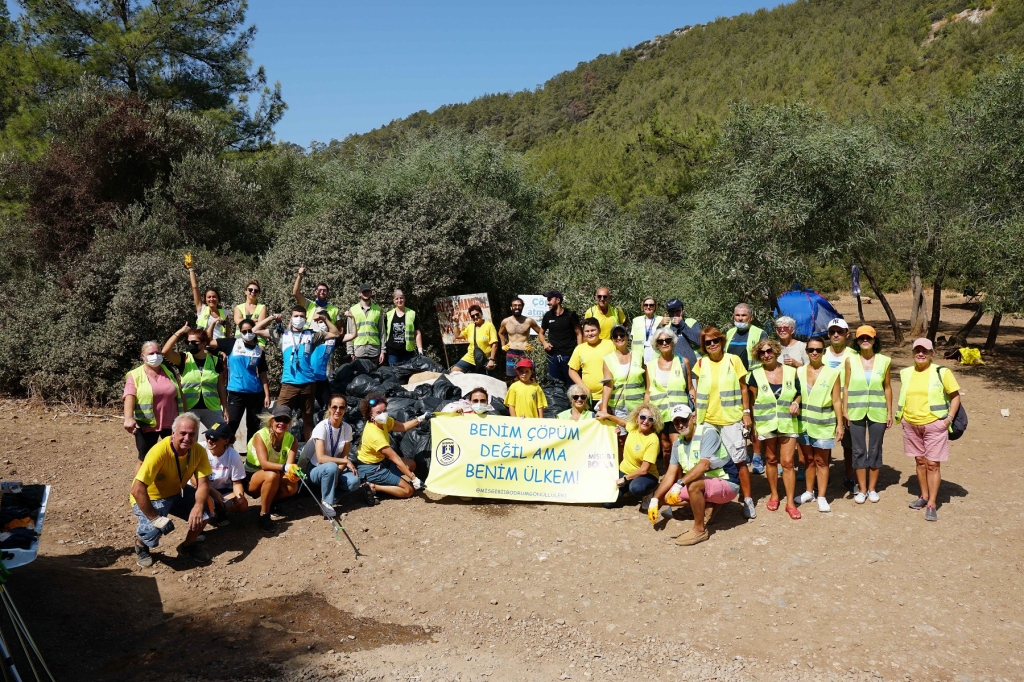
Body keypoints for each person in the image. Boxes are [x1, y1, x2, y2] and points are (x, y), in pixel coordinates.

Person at [648, 405, 740, 546]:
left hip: (727, 482)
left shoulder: (708, 433)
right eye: (676, 421)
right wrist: (655, 500)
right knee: (664, 496)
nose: (680, 424)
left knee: (693, 485)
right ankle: (706, 505)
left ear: (693, 418)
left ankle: (699, 530)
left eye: (684, 420)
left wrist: (679, 484)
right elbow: (670, 473)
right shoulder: (678, 443)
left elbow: (704, 465)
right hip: (705, 482)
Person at [692, 327, 757, 519]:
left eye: (715, 341)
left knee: (739, 461)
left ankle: (747, 500)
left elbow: (744, 389)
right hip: (708, 421)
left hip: (731, 419)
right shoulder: (700, 363)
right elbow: (698, 393)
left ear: (721, 341)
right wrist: (697, 417)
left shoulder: (733, 360)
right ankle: (712, 500)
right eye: (708, 342)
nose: (712, 345)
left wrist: (746, 413)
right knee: (708, 462)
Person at [131, 412, 211, 567]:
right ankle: (141, 545)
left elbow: (203, 483)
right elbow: (137, 490)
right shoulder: (159, 452)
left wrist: (198, 506)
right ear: (173, 433)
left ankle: (187, 546)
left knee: (207, 508)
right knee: (153, 529)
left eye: (192, 434)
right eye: (183, 433)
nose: (187, 438)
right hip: (151, 496)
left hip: (175, 492)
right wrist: (156, 518)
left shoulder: (198, 451)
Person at [896, 338, 961, 522]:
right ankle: (923, 496)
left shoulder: (942, 372)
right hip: (911, 423)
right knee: (920, 461)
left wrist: (948, 419)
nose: (921, 354)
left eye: (925, 351)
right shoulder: (906, 373)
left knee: (933, 464)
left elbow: (955, 397)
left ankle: (932, 502)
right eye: (917, 350)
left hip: (934, 424)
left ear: (932, 353)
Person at [256, 308, 341, 441]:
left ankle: (308, 452)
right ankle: (274, 447)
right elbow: (256, 330)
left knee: (308, 419)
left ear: (306, 319)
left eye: (302, 316)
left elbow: (335, 333)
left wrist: (324, 319)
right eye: (296, 316)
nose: (299, 318)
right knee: (278, 417)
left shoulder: (311, 335)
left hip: (308, 384)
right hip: (289, 383)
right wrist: (272, 317)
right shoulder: (282, 335)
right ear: (290, 318)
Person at [748, 338, 802, 518]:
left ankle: (790, 502)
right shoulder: (755, 375)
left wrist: (796, 402)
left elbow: (800, 392)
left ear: (776, 351)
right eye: (762, 352)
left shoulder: (791, 371)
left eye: (769, 351)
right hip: (766, 423)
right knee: (771, 459)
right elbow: (753, 401)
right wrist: (753, 424)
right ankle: (774, 494)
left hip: (788, 422)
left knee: (787, 462)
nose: (766, 355)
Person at [843, 326, 893, 505]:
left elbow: (887, 387)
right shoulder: (850, 360)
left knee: (875, 449)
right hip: (855, 411)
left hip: (878, 411)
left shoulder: (885, 361)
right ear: (856, 341)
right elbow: (846, 386)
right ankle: (862, 490)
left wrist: (889, 411)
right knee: (858, 450)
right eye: (861, 338)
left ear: (874, 339)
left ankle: (872, 489)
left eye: (869, 337)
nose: (865, 340)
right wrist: (844, 410)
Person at [795, 337, 845, 513]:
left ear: (824, 351)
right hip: (803, 424)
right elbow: (796, 394)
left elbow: (837, 400)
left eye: (818, 350)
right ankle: (809, 491)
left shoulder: (832, 373)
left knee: (822, 461)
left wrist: (840, 425)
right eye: (811, 350)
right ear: (806, 352)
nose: (814, 353)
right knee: (808, 460)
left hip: (824, 424)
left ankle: (822, 496)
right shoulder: (799, 371)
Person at [299, 395, 370, 507]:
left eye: (341, 408)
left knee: (354, 482)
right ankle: (327, 505)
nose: (338, 410)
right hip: (316, 469)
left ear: (345, 409)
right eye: (334, 407)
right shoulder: (322, 427)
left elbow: (345, 455)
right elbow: (321, 458)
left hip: (335, 469)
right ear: (329, 408)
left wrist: (337, 473)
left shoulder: (347, 428)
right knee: (331, 466)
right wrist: (343, 463)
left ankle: (333, 496)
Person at [355, 394, 427, 499]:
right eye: (378, 412)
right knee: (408, 491)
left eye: (384, 411)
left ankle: (390, 481)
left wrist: (421, 418)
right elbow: (396, 459)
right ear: (370, 414)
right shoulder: (374, 435)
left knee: (411, 464)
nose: (383, 414)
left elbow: (404, 427)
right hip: (372, 469)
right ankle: (374, 486)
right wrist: (413, 478)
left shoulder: (383, 421)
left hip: (382, 462)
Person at [123, 340, 184, 462]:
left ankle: (174, 481)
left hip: (172, 423)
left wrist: (185, 416)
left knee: (176, 456)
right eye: (151, 353)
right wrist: (128, 418)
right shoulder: (135, 375)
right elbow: (129, 395)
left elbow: (180, 394)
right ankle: (142, 481)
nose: (155, 356)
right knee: (145, 460)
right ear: (143, 356)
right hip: (146, 425)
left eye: (158, 352)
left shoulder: (169, 371)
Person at [726, 303, 767, 475]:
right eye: (737, 316)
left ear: (750, 317)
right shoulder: (729, 333)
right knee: (739, 417)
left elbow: (766, 356)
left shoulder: (759, 333)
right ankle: (743, 453)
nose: (740, 319)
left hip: (753, 380)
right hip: (734, 382)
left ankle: (757, 455)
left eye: (743, 316)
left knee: (753, 417)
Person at [161, 325, 229, 430]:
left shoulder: (215, 360)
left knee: (222, 435)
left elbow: (221, 386)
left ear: (204, 343)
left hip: (212, 407)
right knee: (189, 440)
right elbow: (165, 352)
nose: (190, 345)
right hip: (189, 407)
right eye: (188, 342)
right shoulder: (184, 358)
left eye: (194, 342)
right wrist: (180, 332)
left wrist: (225, 408)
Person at [245, 405, 301, 532]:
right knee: (272, 475)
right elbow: (264, 464)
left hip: (274, 474)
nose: (281, 423)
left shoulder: (292, 440)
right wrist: (285, 467)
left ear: (289, 423)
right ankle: (264, 514)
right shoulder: (260, 436)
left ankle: (270, 503)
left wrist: (294, 472)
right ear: (271, 421)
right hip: (252, 477)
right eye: (278, 419)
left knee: (292, 486)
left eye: (285, 420)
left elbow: (289, 467)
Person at [595, 403, 661, 506]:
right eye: (643, 417)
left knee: (636, 488)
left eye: (650, 419)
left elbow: (644, 470)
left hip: (646, 475)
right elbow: (623, 423)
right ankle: (627, 488)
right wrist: (607, 416)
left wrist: (625, 479)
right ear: (637, 418)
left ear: (654, 422)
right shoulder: (633, 428)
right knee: (607, 503)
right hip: (625, 470)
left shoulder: (653, 440)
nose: (646, 421)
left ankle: (649, 492)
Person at [645, 328, 694, 464]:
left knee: (677, 445)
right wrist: (644, 410)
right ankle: (670, 476)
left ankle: (682, 478)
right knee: (665, 447)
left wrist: (695, 410)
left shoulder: (684, 362)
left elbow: (690, 388)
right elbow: (648, 391)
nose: (665, 343)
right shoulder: (649, 366)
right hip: (659, 413)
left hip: (679, 413)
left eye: (668, 340)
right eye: (661, 341)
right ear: (656, 345)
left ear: (673, 342)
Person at [219, 317, 271, 448]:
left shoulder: (259, 351)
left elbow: (263, 373)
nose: (247, 333)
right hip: (236, 393)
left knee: (253, 426)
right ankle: (225, 453)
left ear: (254, 331)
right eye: (244, 331)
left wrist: (267, 394)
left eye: (249, 330)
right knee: (232, 424)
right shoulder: (232, 343)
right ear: (240, 332)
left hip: (255, 393)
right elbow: (208, 342)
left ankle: (251, 458)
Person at [824, 317, 859, 493]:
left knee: (848, 444)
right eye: (832, 332)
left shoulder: (854, 355)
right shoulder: (820, 354)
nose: (836, 335)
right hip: (824, 404)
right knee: (825, 443)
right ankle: (824, 477)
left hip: (847, 406)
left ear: (847, 334)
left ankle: (849, 477)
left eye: (839, 331)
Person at [197, 421, 248, 525]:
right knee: (201, 498)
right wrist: (211, 491)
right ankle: (199, 522)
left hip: (222, 490)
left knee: (242, 505)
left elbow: (237, 482)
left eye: (214, 438)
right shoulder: (199, 449)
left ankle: (219, 511)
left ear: (225, 441)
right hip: (199, 487)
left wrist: (239, 497)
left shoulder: (233, 456)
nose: (209, 441)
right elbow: (193, 478)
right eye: (207, 436)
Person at [601, 324, 645, 435]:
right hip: (618, 407)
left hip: (637, 405)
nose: (619, 338)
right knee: (620, 439)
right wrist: (604, 409)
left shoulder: (639, 356)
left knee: (638, 436)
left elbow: (646, 382)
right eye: (615, 336)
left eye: (622, 335)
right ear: (612, 340)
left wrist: (646, 404)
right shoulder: (608, 359)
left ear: (627, 336)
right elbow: (607, 386)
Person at [568, 318, 615, 405]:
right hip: (589, 397)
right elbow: (572, 371)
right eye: (587, 331)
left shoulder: (610, 345)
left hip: (610, 395)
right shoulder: (580, 349)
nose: (590, 333)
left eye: (593, 330)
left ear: (599, 331)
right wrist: (584, 387)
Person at [498, 297, 546, 382]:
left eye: (519, 305)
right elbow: (500, 333)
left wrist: (534, 345)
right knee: (514, 378)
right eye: (515, 305)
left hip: (525, 352)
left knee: (531, 377)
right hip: (511, 352)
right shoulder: (506, 321)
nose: (517, 307)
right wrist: (503, 345)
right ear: (511, 307)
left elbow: (541, 332)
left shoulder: (529, 321)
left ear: (522, 307)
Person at [541, 291, 582, 388]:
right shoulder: (548, 316)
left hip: (569, 356)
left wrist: (579, 351)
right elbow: (541, 333)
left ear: (558, 300)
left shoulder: (570, 315)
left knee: (572, 387)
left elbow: (579, 333)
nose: (548, 302)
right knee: (556, 387)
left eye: (550, 299)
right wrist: (544, 343)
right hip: (553, 357)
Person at [451, 304, 499, 374]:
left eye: (477, 314)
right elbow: (457, 336)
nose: (475, 317)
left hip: (484, 359)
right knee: (454, 372)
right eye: (473, 316)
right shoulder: (470, 327)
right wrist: (456, 323)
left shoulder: (489, 326)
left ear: (481, 313)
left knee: (485, 381)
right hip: (470, 357)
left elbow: (494, 344)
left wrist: (491, 359)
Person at [345, 283, 386, 365]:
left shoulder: (378, 310)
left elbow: (382, 332)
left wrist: (383, 351)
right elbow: (349, 332)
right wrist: (350, 352)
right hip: (359, 351)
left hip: (374, 351)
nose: (366, 293)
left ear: (371, 293)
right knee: (359, 377)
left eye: (368, 291)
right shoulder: (353, 310)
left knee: (375, 377)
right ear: (359, 293)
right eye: (364, 292)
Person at [384, 289, 424, 366]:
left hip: (407, 352)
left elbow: (417, 333)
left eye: (401, 298)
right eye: (397, 298)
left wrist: (420, 350)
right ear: (394, 301)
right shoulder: (388, 315)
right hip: (392, 352)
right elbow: (384, 333)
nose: (399, 300)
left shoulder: (412, 313)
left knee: (407, 375)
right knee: (394, 375)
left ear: (404, 299)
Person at [188, 263, 227, 339]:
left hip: (219, 346)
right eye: (209, 297)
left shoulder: (224, 313)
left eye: (214, 297)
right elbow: (194, 287)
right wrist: (191, 269)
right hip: (204, 345)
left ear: (218, 299)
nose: (211, 299)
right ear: (205, 300)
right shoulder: (201, 309)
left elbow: (227, 332)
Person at [664, 298, 701, 367]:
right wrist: (660, 326)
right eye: (672, 312)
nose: (675, 314)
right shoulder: (666, 326)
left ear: (682, 311)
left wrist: (682, 324)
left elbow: (699, 342)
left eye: (677, 311)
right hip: (674, 368)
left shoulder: (691, 322)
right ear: (668, 313)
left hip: (694, 367)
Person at [631, 297, 669, 364]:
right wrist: (632, 355)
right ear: (643, 306)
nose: (648, 307)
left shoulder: (661, 319)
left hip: (656, 354)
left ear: (655, 307)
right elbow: (633, 341)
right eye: (646, 305)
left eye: (651, 305)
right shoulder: (636, 320)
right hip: (639, 356)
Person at [234, 279, 267, 346]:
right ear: (245, 291)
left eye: (256, 291)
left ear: (258, 294)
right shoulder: (238, 307)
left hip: (258, 341)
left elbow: (261, 325)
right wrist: (253, 321)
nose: (253, 292)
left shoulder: (262, 307)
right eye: (250, 290)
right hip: (240, 341)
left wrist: (245, 322)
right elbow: (238, 321)